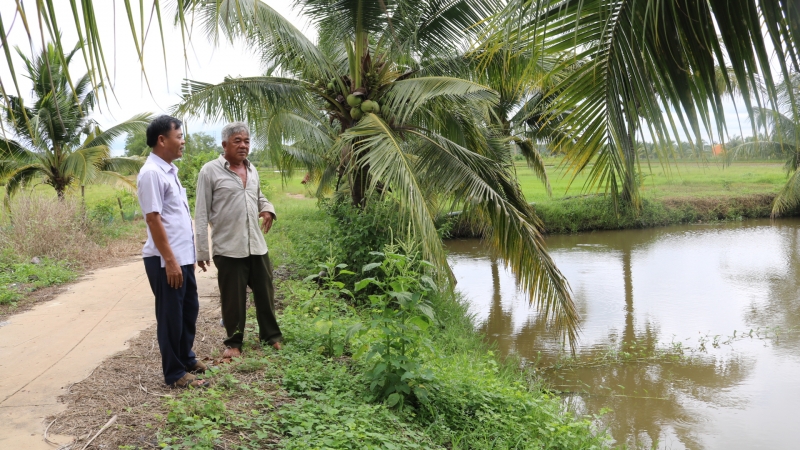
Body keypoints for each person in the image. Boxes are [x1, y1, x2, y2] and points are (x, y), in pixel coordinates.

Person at [195, 121, 282, 360]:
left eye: (246, 141)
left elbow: (259, 196)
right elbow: (201, 213)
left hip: (256, 245)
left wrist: (267, 209)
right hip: (228, 247)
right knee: (233, 299)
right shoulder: (209, 171)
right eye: (237, 141)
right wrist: (202, 251)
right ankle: (234, 342)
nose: (243, 146)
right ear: (225, 145)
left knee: (265, 292)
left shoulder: (252, 169)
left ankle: (271, 337)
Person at [137, 115, 209, 389]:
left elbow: (175, 220)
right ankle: (175, 373)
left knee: (188, 310)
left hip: (182, 259)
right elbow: (153, 219)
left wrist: (187, 259)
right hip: (164, 260)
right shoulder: (152, 173)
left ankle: (186, 358)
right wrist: (170, 260)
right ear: (162, 140)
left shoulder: (169, 170)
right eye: (179, 137)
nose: (183, 142)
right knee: (170, 316)